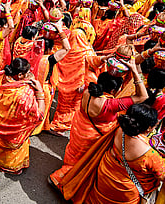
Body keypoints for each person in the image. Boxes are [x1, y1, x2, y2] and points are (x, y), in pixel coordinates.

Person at [49, 58, 148, 189]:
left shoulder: (88, 90)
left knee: (73, 153)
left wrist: (104, 59)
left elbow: (90, 66)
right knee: (83, 161)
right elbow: (143, 96)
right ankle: (62, 179)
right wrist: (135, 71)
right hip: (92, 137)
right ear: (114, 91)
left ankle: (66, 170)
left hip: (78, 128)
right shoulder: (111, 104)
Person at [60, 104, 165, 203]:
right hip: (123, 191)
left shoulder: (120, 129)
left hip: (104, 173)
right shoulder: (151, 155)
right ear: (149, 128)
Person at [0, 58, 45, 174]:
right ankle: (10, 167)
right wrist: (40, 93)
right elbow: (39, 115)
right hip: (14, 133)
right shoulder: (24, 93)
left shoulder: (1, 80)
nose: (29, 74)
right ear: (20, 75)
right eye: (27, 72)